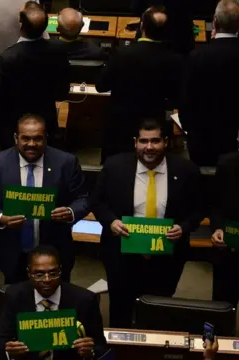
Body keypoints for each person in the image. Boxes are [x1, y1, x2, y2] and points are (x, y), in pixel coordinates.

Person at [90, 118, 204, 328]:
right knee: (120, 307)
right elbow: (97, 202)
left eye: (155, 141)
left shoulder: (186, 170)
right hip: (121, 253)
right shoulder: (115, 166)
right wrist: (111, 222)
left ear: (166, 142)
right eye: (144, 141)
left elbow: (199, 209)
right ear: (135, 142)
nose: (149, 147)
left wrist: (184, 227)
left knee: (158, 308)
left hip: (167, 256)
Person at [0, 114, 88, 284]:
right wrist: (1, 218)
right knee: (16, 297)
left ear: (46, 138)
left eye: (37, 138)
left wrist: (70, 212)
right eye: (26, 138)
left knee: (56, 300)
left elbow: (83, 199)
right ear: (16, 138)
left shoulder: (66, 162)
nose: (31, 144)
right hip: (13, 249)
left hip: (54, 248)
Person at [96, 6, 182, 164]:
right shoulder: (175, 60)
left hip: (119, 125)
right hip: (153, 125)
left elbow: (101, 86)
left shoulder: (121, 54)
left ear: (142, 26)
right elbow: (177, 97)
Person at [0, 245, 108, 360]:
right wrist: (9, 352)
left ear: (60, 271)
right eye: (39, 274)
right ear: (29, 273)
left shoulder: (84, 299)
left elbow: (101, 346)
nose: (47, 280)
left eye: (53, 273)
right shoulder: (15, 295)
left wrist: (90, 352)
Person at [0, 2, 69, 149]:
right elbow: (62, 91)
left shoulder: (6, 58)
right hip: (47, 123)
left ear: (21, 25)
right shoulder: (58, 51)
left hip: (14, 127)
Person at [181, 0, 239, 167]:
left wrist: (188, 129)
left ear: (215, 21)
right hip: (232, 137)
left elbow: (186, 98)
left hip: (201, 138)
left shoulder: (196, 57)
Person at [210, 151, 239, 306]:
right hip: (230, 247)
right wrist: (218, 228)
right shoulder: (226, 164)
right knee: (223, 304)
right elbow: (216, 205)